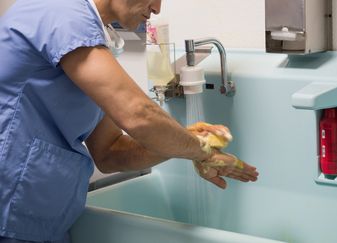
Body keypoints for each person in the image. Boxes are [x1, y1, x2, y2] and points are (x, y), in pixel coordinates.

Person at [0, 0, 259, 242]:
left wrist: (183, 142)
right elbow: (137, 114)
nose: (157, 8)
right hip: (11, 208)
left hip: (38, 218)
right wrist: (200, 149)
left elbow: (111, 151)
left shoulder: (89, 38)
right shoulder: (59, 11)